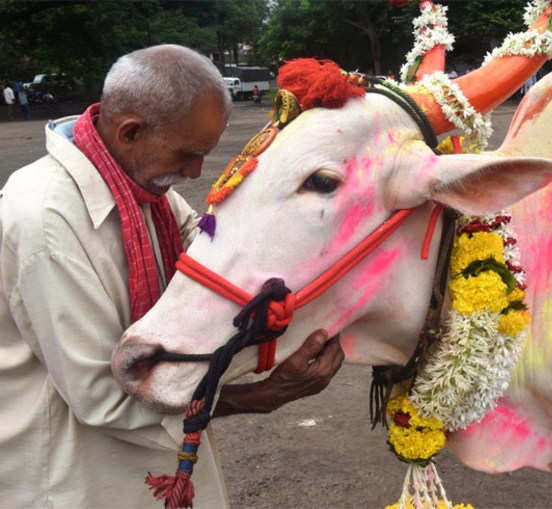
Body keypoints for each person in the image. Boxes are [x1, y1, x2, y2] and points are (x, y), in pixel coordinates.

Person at [0, 44, 343, 508]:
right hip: (76, 478)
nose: (196, 172)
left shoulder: (143, 188)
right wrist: (261, 396)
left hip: (154, 457)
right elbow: (102, 398)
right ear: (130, 131)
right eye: (187, 154)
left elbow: (216, 258)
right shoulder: (44, 218)